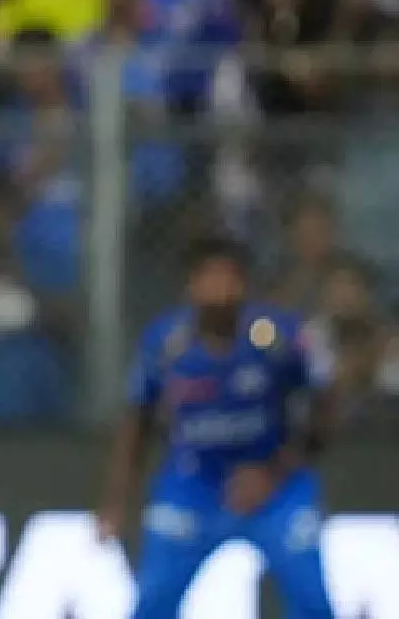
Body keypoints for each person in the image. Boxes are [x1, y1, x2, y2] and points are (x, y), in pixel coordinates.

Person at [97, 236, 338, 619]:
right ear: (190, 286)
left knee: (312, 600)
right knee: (152, 603)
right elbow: (136, 421)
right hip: (193, 483)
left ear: (246, 287)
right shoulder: (164, 344)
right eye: (209, 279)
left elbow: (324, 406)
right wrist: (116, 500)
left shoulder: (278, 337)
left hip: (273, 485)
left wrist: (275, 472)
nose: (220, 291)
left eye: (230, 279)